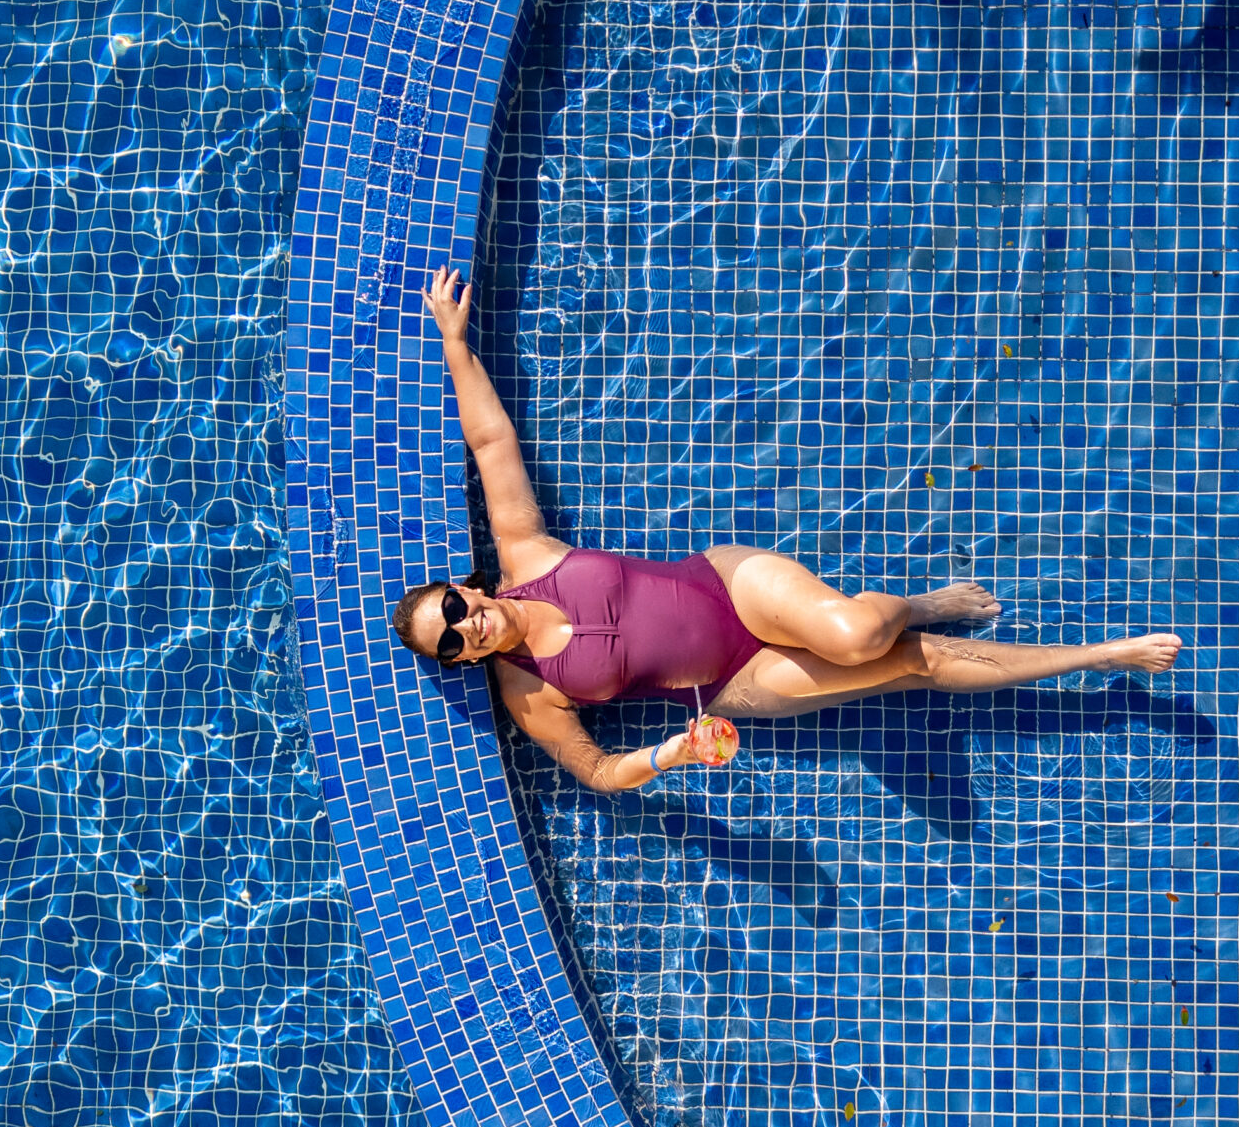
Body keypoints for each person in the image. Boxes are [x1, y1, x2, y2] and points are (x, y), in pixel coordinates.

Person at [392, 268, 1185, 793]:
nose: (467, 630)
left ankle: (917, 599)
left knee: (860, 631)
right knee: (914, 666)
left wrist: (455, 344)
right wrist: (671, 754)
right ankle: (1101, 655)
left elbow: (492, 444)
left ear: (466, 588)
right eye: (452, 646)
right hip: (736, 680)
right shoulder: (528, 692)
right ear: (460, 662)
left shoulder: (525, 556)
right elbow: (597, 772)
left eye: (454, 612)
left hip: (729, 585)